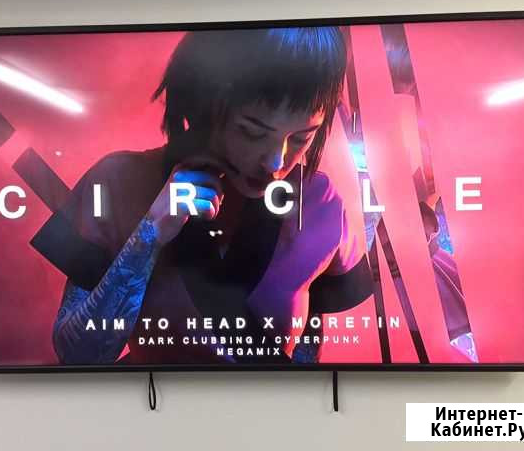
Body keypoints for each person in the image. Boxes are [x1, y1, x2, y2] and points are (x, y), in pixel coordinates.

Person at [32, 26, 374, 365]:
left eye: (302, 138)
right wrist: (149, 234)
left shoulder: (320, 200)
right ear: (203, 103)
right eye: (251, 131)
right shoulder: (118, 180)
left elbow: (308, 348)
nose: (275, 162)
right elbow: (77, 356)